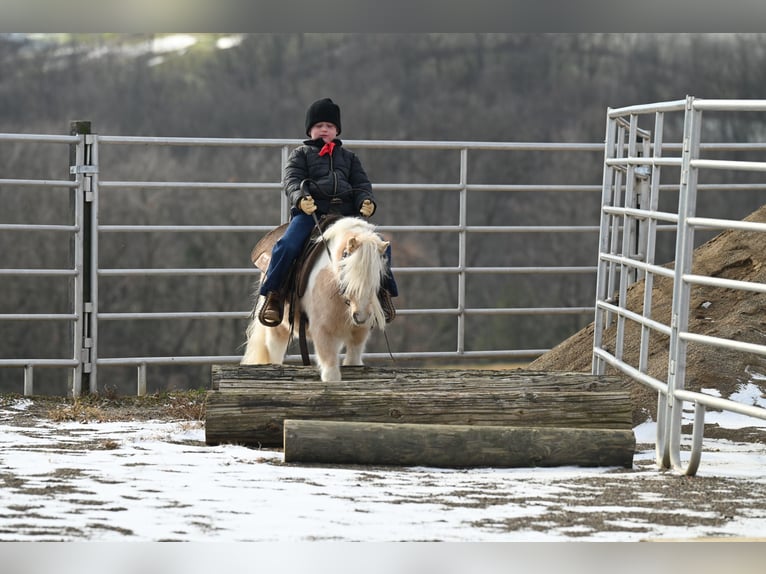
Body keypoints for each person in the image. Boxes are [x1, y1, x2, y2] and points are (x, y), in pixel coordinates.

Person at [258, 97, 398, 327]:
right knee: (288, 245)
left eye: (330, 126)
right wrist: (301, 199)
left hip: (346, 216)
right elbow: (291, 180)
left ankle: (383, 292)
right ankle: (274, 295)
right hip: (311, 213)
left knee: (379, 244)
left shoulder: (350, 158)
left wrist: (367, 201)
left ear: (337, 131)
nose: (324, 129)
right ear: (310, 129)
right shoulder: (300, 154)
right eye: (319, 125)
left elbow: (362, 185)